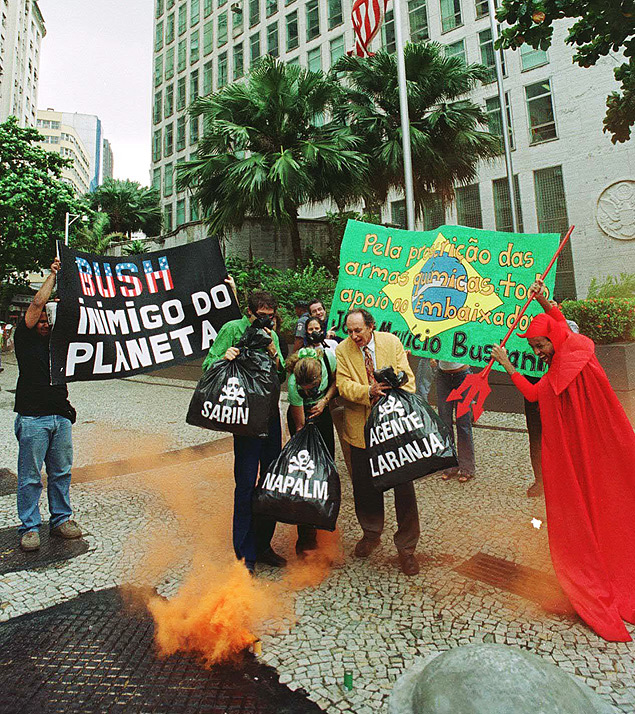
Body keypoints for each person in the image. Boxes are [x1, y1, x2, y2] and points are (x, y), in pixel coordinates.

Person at [491, 279, 635, 642]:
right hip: (592, 448)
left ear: (553, 340)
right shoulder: (576, 350)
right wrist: (542, 301)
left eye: (540, 345)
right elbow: (556, 326)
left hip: (584, 449)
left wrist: (508, 362)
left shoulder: (567, 357)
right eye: (533, 346)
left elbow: (533, 391)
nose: (538, 351)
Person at [202, 288, 287, 573]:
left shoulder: (272, 335)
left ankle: (263, 545)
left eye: (270, 317)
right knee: (246, 485)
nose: (265, 322)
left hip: (270, 415)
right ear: (248, 313)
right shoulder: (232, 329)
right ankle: (244, 554)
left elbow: (282, 375)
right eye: (260, 317)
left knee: (271, 482)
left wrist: (274, 353)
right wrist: (225, 357)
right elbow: (207, 366)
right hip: (245, 416)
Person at [335, 309, 421, 576]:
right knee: (365, 487)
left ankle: (406, 548)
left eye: (358, 330)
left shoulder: (391, 342)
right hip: (360, 430)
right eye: (349, 331)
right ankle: (371, 533)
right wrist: (367, 391)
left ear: (371, 327)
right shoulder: (342, 350)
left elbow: (410, 382)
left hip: (393, 430)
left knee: (403, 488)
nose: (353, 336)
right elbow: (342, 386)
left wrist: (393, 388)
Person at [14, 258, 82, 551]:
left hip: (59, 417)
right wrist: (53, 275)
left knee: (61, 472)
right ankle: (29, 528)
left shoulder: (58, 342)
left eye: (46, 321)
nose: (43, 324)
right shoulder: (25, 337)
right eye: (40, 320)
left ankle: (60, 520)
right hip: (32, 418)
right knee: (30, 477)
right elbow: (37, 304)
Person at [523, 297, 579, 498]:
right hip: (535, 384)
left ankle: (567, 479)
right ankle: (540, 480)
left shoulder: (566, 327)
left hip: (557, 388)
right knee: (536, 434)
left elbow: (570, 341)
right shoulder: (529, 330)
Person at [286, 346, 338, 555]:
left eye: (312, 386)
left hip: (322, 413)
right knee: (306, 477)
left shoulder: (327, 360)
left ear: (318, 375)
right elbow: (299, 427)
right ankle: (306, 539)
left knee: (326, 470)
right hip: (302, 420)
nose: (308, 391)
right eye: (304, 389)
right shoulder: (292, 384)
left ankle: (323, 522)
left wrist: (324, 401)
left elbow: (336, 381)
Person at [436, 362, 476, 483]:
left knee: (463, 424)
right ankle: (450, 465)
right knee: (444, 423)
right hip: (443, 375)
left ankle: (467, 468)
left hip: (463, 375)